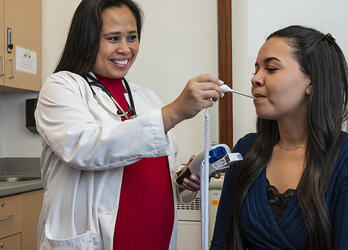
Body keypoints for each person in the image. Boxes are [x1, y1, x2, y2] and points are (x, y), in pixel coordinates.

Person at [35, 0, 223, 249]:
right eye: (113, 38)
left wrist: (183, 178)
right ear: (87, 39)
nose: (125, 48)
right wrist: (174, 112)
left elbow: (153, 166)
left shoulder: (146, 97)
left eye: (132, 37)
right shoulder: (62, 87)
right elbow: (83, 148)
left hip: (155, 238)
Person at [210, 25, 348, 250]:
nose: (256, 79)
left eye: (272, 69)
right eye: (256, 69)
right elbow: (222, 244)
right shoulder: (246, 149)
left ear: (312, 82)